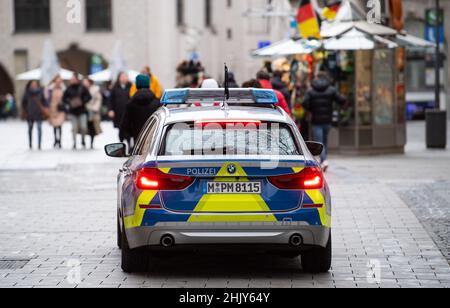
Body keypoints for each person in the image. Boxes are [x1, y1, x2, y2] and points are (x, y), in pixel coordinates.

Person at [303, 72, 346, 171]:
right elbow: (342, 100)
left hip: (316, 120)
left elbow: (305, 103)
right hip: (328, 120)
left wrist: (311, 108)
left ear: (317, 78)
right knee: (325, 141)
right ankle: (324, 160)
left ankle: (324, 160)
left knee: (319, 141)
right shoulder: (331, 90)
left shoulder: (311, 90)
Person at [121, 75, 160, 143]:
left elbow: (125, 125)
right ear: (149, 85)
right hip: (155, 142)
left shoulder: (130, 104)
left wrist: (130, 134)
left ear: (136, 85)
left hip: (138, 142)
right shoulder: (157, 103)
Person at [63, 74, 92, 150]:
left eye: (73, 79)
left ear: (77, 79)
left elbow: (89, 97)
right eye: (71, 79)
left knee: (83, 127)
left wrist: (83, 101)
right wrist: (69, 102)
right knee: (74, 128)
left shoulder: (82, 88)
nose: (72, 80)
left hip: (82, 111)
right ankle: (74, 142)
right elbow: (64, 99)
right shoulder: (68, 89)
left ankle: (83, 140)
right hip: (73, 112)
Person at [22, 81, 47, 150]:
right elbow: (23, 102)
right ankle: (30, 144)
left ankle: (39, 144)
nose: (34, 85)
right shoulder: (27, 93)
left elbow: (44, 101)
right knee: (30, 129)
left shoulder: (40, 92)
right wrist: (26, 110)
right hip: (30, 114)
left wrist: (44, 108)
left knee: (39, 128)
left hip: (39, 113)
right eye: (32, 84)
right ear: (30, 85)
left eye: (35, 84)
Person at [109, 72, 132, 145]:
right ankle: (121, 143)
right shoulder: (115, 88)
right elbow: (110, 100)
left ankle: (128, 142)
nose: (124, 78)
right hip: (118, 112)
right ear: (119, 78)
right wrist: (110, 110)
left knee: (128, 128)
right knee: (120, 128)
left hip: (128, 112)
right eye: (122, 77)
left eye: (125, 77)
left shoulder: (131, 87)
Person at [46, 76, 66, 149]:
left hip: (60, 109)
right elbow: (47, 98)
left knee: (60, 125)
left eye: (59, 81)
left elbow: (66, 98)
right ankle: (55, 140)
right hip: (53, 109)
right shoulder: (50, 89)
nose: (58, 83)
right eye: (57, 81)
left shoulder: (63, 89)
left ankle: (60, 141)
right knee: (54, 125)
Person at [83, 78, 103, 149]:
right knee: (83, 127)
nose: (84, 83)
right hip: (84, 110)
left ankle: (91, 142)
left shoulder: (95, 89)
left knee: (92, 127)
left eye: (85, 82)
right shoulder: (82, 89)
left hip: (92, 111)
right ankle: (83, 141)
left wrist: (95, 107)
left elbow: (98, 99)